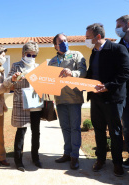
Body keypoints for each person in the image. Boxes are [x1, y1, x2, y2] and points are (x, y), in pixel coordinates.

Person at [85, 23, 129, 177]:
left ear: (98, 36)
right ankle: (101, 159)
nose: (86, 40)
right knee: (98, 131)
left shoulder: (118, 49)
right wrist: (79, 82)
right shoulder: (94, 52)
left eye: (88, 37)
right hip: (96, 99)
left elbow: (127, 72)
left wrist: (108, 86)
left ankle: (117, 163)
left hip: (113, 99)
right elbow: (91, 73)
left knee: (115, 132)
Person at [48, 33, 87, 170]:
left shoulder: (77, 55)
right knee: (65, 128)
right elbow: (49, 79)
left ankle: (75, 156)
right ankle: (67, 153)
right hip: (59, 99)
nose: (64, 42)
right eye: (61, 41)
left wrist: (72, 73)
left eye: (65, 40)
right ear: (55, 45)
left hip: (74, 98)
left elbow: (83, 72)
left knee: (75, 128)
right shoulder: (52, 61)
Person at [3, 41, 42, 172]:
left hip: (36, 103)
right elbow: (6, 83)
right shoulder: (16, 66)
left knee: (36, 132)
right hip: (21, 104)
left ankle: (35, 157)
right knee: (21, 132)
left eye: (34, 55)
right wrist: (13, 79)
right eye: (28, 54)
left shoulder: (38, 67)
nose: (31, 57)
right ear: (23, 53)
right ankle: (18, 160)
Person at [116, 15, 129, 169]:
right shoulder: (119, 46)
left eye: (119, 26)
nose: (117, 30)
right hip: (126, 93)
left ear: (128, 24)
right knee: (127, 127)